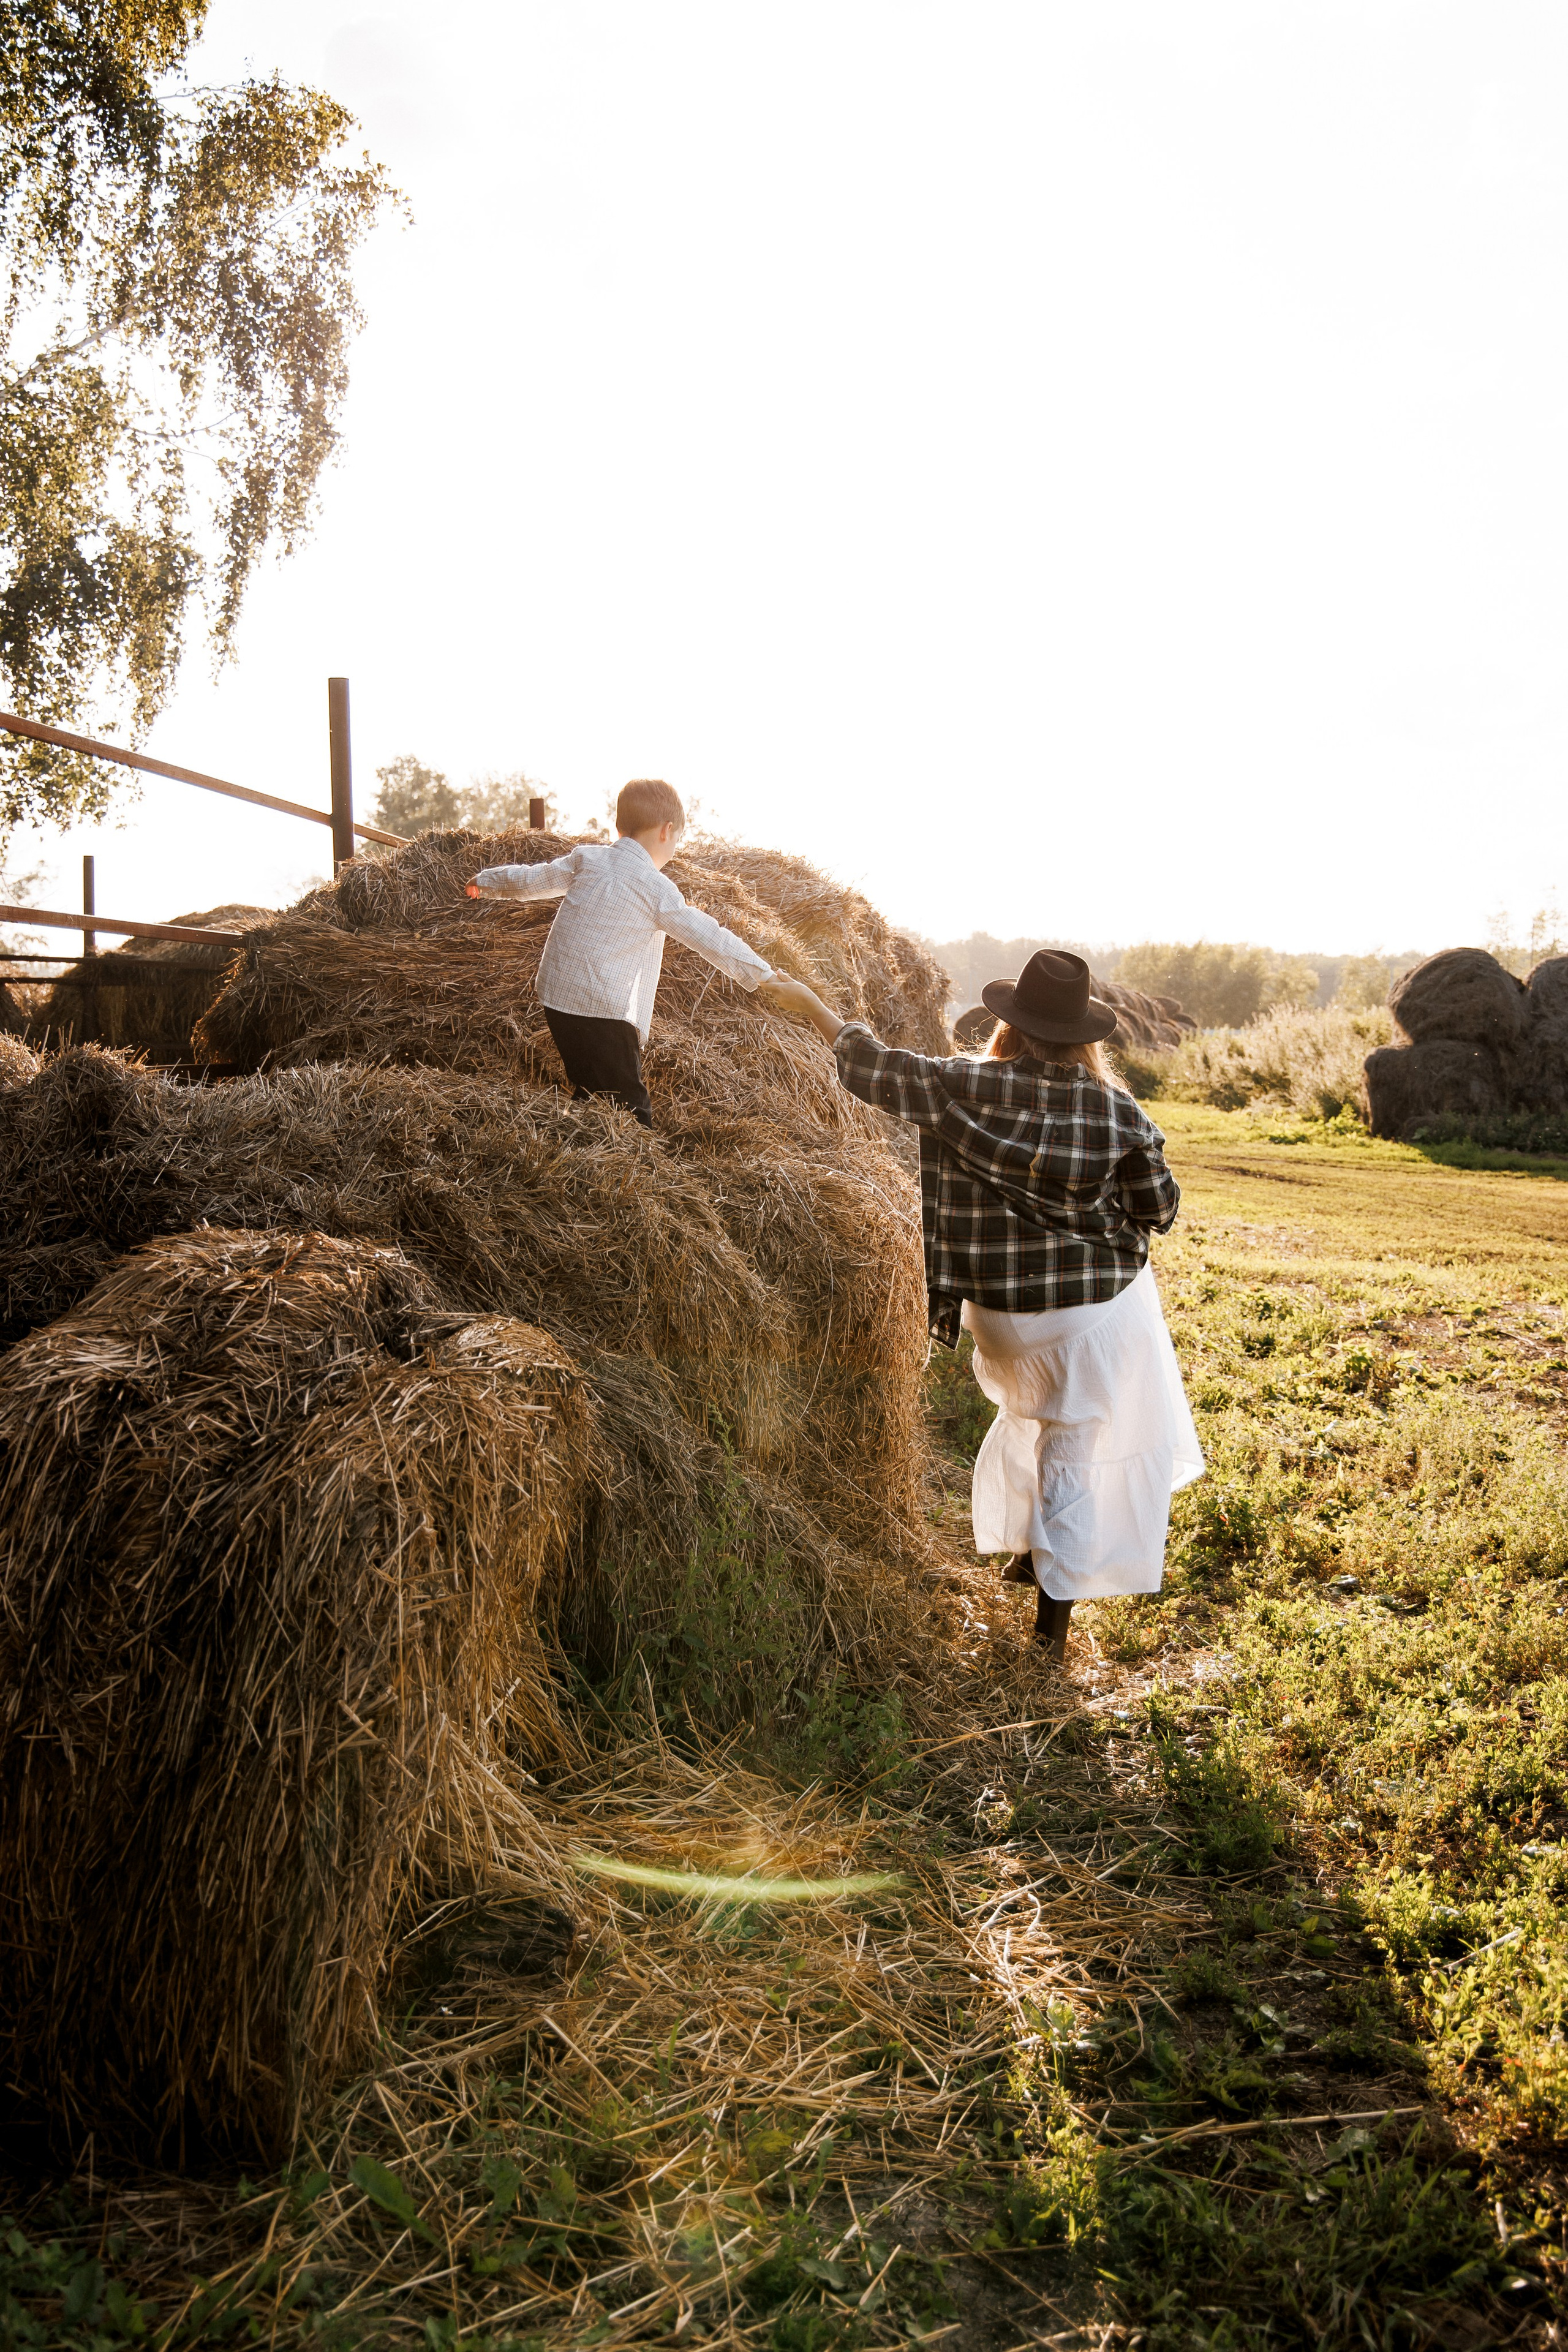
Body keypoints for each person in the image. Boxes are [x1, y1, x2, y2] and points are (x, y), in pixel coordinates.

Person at [762, 948, 1204, 1660]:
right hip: (1080, 1317)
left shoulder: (958, 1085)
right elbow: (1160, 1211)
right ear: (1083, 1037)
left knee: (1038, 1412)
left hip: (996, 1319)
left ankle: (1025, 1555)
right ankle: (1050, 1634)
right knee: (1076, 1442)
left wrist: (812, 1004)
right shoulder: (1118, 1110)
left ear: (1013, 1025)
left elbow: (871, 1064)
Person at [466, 778, 772, 1126]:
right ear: (666, 831)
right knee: (631, 1107)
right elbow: (710, 936)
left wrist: (487, 880)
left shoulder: (588, 858)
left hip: (557, 997)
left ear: (619, 825)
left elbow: (533, 880)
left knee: (591, 1084)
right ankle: (641, 1166)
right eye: (678, 839)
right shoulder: (657, 889)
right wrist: (764, 974)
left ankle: (575, 1134)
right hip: (602, 1009)